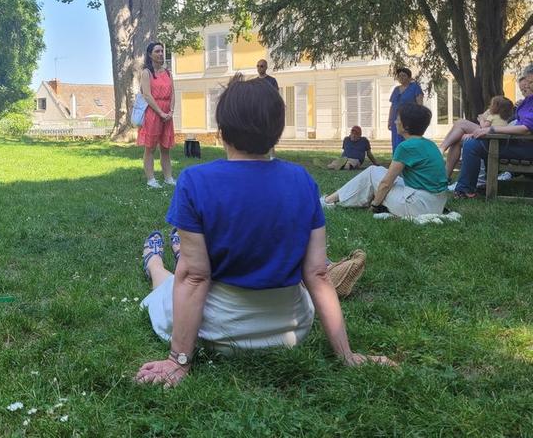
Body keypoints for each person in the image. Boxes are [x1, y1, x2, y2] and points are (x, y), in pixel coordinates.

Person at [135, 75, 394, 387]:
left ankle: (154, 261)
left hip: (217, 327)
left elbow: (194, 278)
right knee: (191, 265)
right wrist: (347, 355)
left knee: (171, 282)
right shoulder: (303, 182)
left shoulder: (195, 181)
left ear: (222, 130)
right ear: (277, 131)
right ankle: (178, 247)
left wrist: (178, 361)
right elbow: (318, 275)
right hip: (290, 327)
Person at [322, 103, 448, 217]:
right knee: (377, 170)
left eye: (398, 118)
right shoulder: (430, 145)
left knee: (372, 172)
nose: (395, 122)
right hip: (437, 204)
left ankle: (329, 200)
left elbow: (386, 184)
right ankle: (336, 198)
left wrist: (375, 205)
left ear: (406, 125)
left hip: (417, 206)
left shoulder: (406, 147)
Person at [453, 64, 533, 199]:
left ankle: (466, 189)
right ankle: (466, 189)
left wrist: (492, 129)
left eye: (531, 82)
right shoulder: (528, 101)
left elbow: (526, 129)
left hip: (526, 147)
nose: (529, 86)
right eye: (529, 81)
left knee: (473, 145)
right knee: (472, 143)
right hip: (516, 142)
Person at [440, 95, 515, 179]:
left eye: (491, 104)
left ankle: (442, 149)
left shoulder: (492, 116)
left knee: (460, 123)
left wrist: (481, 120)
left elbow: (484, 127)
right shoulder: (505, 117)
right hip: (496, 137)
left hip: (492, 137)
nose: (489, 106)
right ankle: (444, 176)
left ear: (496, 107)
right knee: (458, 137)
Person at [137, 42, 175, 188]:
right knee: (150, 147)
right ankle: (151, 179)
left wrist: (171, 111)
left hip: (167, 112)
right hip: (153, 112)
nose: (160, 54)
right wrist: (160, 112)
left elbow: (172, 94)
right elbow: (146, 95)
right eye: (157, 51)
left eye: (162, 51)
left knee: (166, 147)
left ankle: (168, 177)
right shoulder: (147, 73)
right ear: (150, 55)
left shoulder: (168, 73)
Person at [388, 67, 424, 153]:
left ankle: (409, 163)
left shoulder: (415, 87)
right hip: (396, 120)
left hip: (409, 119)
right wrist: (389, 120)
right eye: (399, 76)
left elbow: (420, 104)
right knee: (396, 141)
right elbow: (392, 106)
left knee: (408, 140)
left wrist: (418, 118)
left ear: (409, 77)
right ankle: (397, 161)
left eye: (404, 75)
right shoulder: (396, 89)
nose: (401, 78)